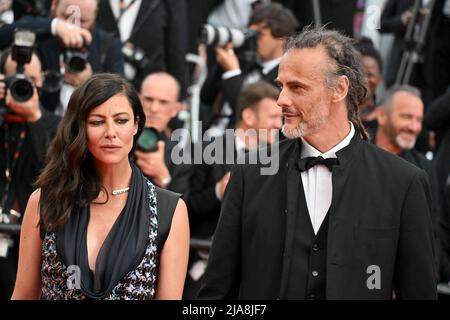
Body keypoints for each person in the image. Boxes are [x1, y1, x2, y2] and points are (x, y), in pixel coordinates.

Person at [197, 27, 437, 300]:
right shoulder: (250, 173)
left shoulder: (402, 182)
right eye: (281, 86)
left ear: (339, 89)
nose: (281, 100)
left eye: (297, 87)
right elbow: (215, 293)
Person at [11, 73, 189, 300]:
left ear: (136, 124)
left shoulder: (169, 210)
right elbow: (24, 295)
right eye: (97, 122)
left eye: (121, 120)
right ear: (80, 128)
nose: (111, 133)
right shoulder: (45, 200)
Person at [184, 80, 282, 298]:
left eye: (281, 118)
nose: (279, 125)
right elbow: (185, 206)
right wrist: (219, 191)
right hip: (203, 266)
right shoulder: (205, 151)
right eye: (273, 117)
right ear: (248, 117)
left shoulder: (279, 162)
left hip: (254, 275)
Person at [0, 49, 60, 299]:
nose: (23, 86)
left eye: (32, 82)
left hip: (28, 240)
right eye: (17, 80)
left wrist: (34, 118)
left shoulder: (54, 125)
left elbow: (53, 171)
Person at [201, 2, 298, 136]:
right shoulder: (244, 62)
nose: (253, 40)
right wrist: (222, 61)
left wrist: (232, 73)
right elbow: (205, 97)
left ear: (281, 39)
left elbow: (248, 114)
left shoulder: (287, 76)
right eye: (250, 33)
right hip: (211, 136)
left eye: (259, 35)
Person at [37, 0, 124, 115]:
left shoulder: (108, 45)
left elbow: (120, 97)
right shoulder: (41, 33)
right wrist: (55, 26)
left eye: (82, 21)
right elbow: (7, 33)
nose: (73, 27)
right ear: (54, 5)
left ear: (95, 16)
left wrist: (91, 83)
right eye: (66, 17)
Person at [96, 0, 188, 99]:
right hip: (100, 90)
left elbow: (176, 51)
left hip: (149, 93)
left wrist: (180, 97)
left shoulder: (167, 4)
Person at [135, 72, 191, 195]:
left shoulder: (181, 160)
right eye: (149, 99)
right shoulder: (118, 140)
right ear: (138, 101)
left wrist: (163, 177)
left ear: (175, 109)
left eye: (163, 102)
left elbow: (182, 208)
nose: (154, 108)